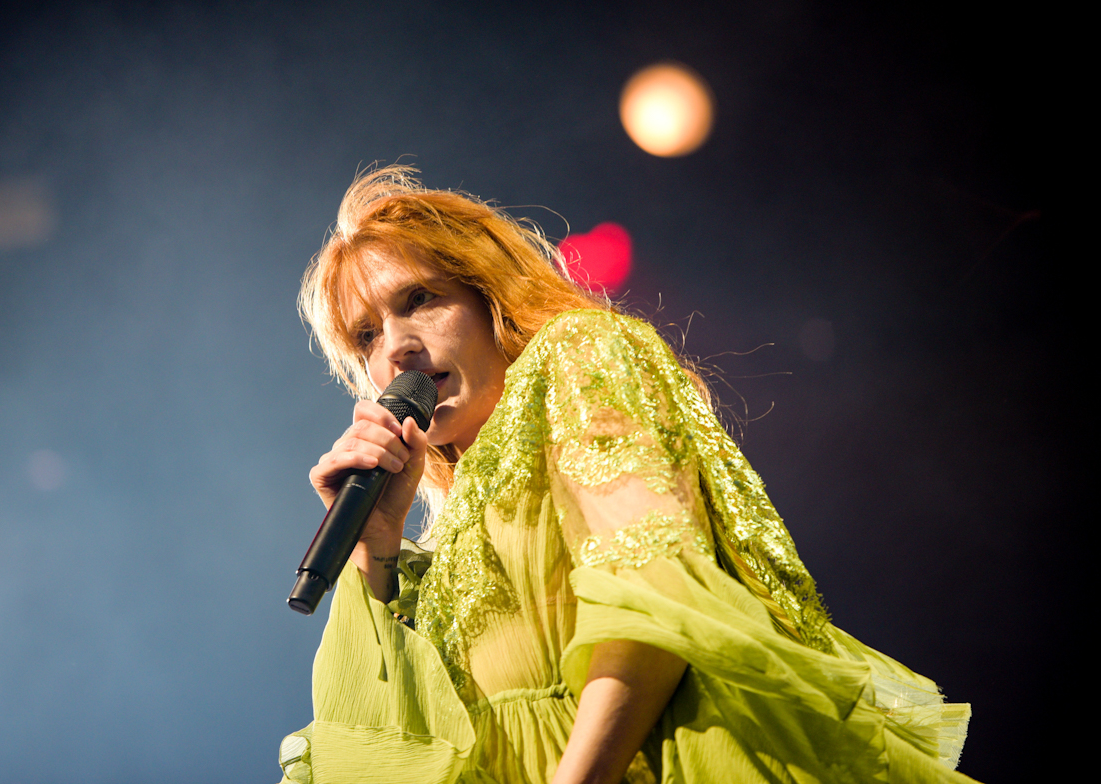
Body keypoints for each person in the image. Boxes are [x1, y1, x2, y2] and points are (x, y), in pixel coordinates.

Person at [279, 165, 978, 784]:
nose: (395, 348)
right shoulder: (445, 528)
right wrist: (375, 542)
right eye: (366, 335)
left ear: (488, 299)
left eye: (419, 300)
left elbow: (653, 602)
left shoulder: (576, 357)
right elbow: (381, 751)